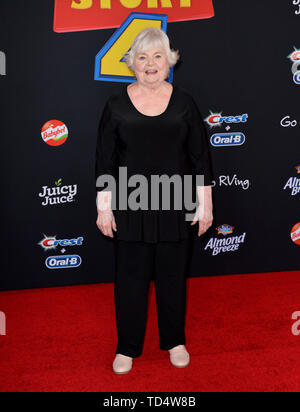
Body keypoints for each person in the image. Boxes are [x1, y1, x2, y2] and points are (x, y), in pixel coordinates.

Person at [95, 27, 214, 375]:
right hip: (130, 205)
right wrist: (104, 208)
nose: (150, 64)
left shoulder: (185, 103)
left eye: (157, 56)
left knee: (173, 277)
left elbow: (201, 158)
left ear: (169, 61)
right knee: (130, 279)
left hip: (176, 204)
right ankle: (127, 347)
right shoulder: (115, 105)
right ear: (132, 63)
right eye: (143, 57)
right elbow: (105, 160)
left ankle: (175, 340)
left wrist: (204, 205)